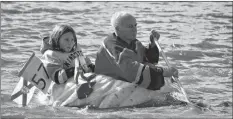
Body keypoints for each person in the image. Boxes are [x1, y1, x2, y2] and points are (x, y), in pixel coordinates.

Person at [94, 11, 178, 91]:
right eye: (130, 26)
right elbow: (129, 69)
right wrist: (162, 72)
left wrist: (152, 44)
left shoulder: (134, 42)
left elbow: (149, 60)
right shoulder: (111, 45)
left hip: (125, 81)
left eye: (135, 25)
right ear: (117, 28)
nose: (135, 29)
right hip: (109, 84)